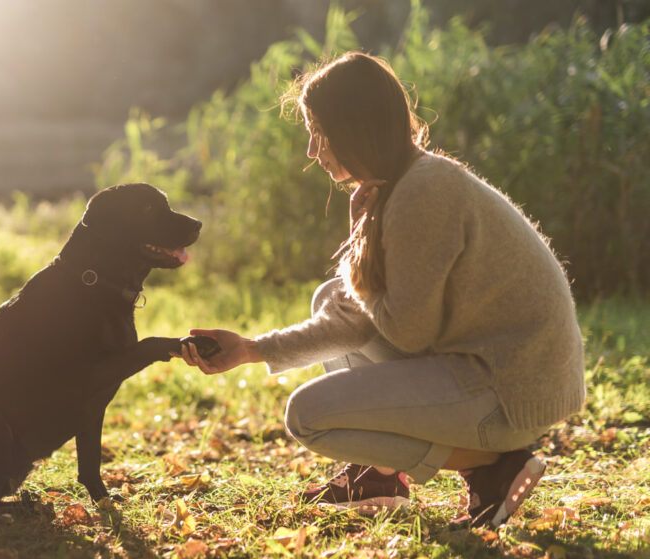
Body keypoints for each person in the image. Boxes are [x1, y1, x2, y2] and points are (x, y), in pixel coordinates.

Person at [177, 52, 585, 529]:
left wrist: (358, 253)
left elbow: (408, 331)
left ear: (353, 128)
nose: (312, 150)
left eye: (319, 132)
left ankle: (491, 466)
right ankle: (380, 479)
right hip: (495, 371)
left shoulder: (423, 191)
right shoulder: (402, 183)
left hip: (512, 391)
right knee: (333, 298)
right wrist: (251, 349)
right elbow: (358, 316)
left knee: (307, 416)